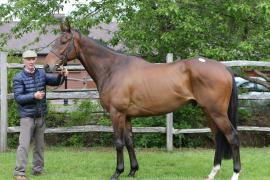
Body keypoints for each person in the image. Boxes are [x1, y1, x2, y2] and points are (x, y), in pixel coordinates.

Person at [13, 50, 68, 180]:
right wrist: (34, 96)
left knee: (39, 145)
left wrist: (62, 75)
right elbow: (18, 98)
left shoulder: (41, 74)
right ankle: (19, 173)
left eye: (33, 59)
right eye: (28, 59)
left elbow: (55, 81)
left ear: (36, 60)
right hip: (27, 116)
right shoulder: (18, 77)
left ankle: (37, 170)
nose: (31, 61)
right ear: (24, 61)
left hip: (40, 115)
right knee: (24, 145)